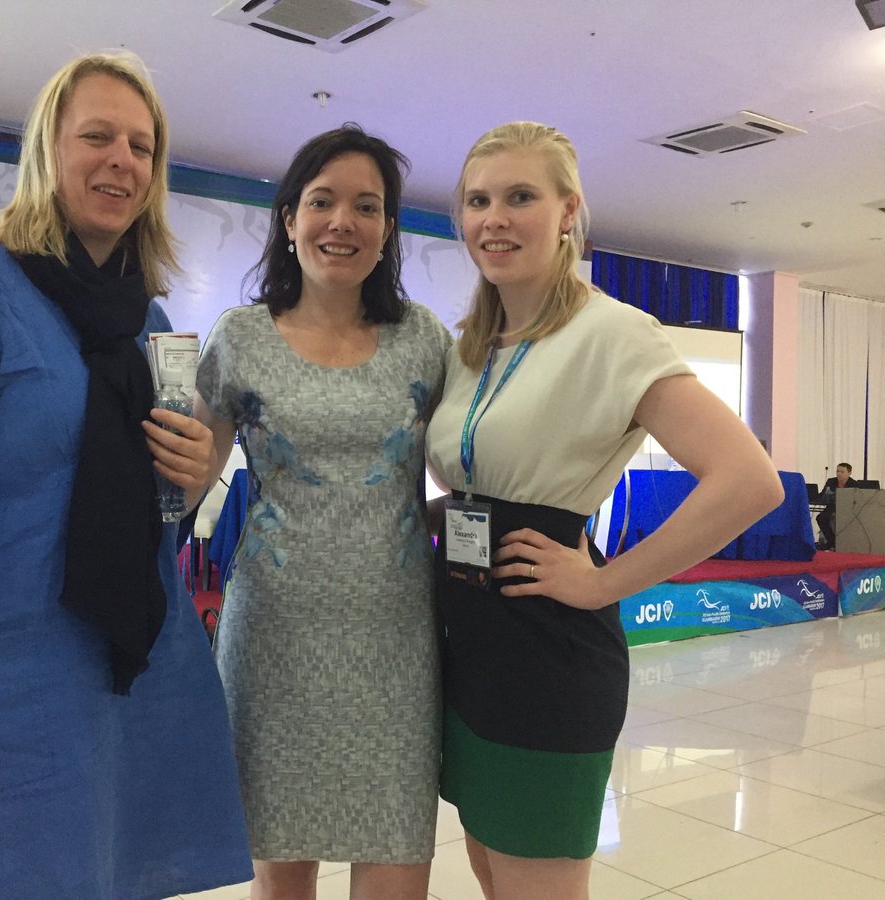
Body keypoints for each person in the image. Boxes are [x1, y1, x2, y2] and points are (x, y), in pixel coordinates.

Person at [0, 52, 252, 898]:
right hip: (5, 701)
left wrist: (195, 470)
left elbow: (148, 515)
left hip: (137, 683)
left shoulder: (151, 323)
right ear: (45, 153)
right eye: (96, 136)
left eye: (142, 146)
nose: (122, 160)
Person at [424, 122, 783, 900]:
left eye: (521, 196)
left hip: (547, 650)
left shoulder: (615, 332)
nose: (494, 218)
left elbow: (750, 481)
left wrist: (603, 583)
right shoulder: (470, 347)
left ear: (567, 211)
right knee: (491, 867)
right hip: (467, 647)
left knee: (538, 882)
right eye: (478, 200)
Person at [194, 125, 451, 900]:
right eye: (322, 201)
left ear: (388, 229)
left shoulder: (425, 340)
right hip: (273, 632)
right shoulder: (239, 337)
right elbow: (192, 474)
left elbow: (470, 461)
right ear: (289, 219)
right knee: (280, 872)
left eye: (366, 206)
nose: (343, 221)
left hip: (392, 640)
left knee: (399, 860)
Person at [816, 462, 857, 549]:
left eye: (842, 472)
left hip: (846, 508)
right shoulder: (831, 481)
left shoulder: (854, 484)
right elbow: (823, 494)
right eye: (837, 471)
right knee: (821, 517)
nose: (839, 473)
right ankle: (832, 542)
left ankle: (840, 543)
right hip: (832, 506)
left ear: (849, 473)